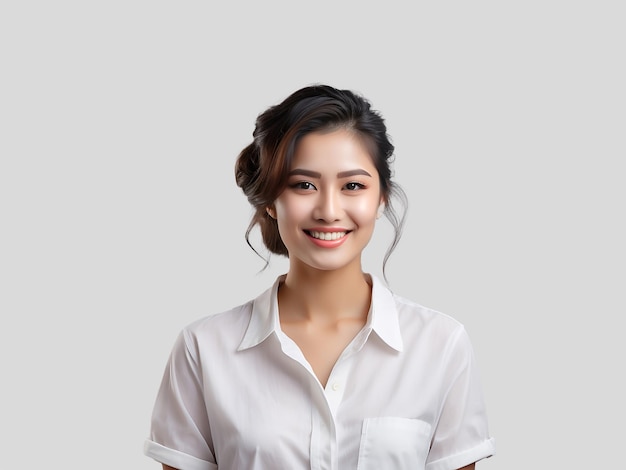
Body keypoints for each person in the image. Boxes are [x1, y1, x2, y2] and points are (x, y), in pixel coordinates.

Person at [143, 84, 495, 470]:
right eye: (303, 185)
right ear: (272, 201)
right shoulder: (203, 349)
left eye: (353, 186)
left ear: (381, 198)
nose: (329, 210)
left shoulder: (441, 345)